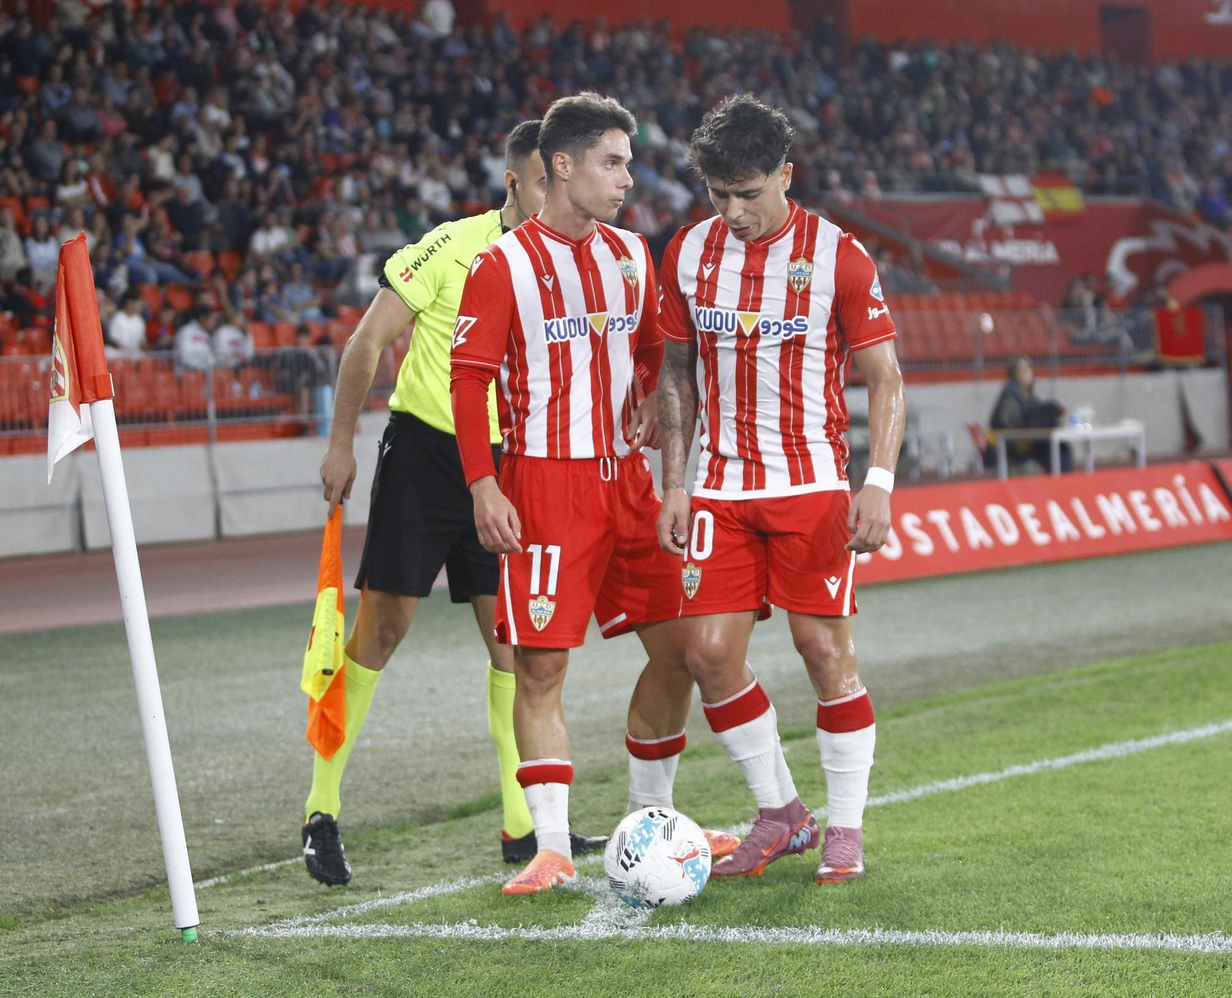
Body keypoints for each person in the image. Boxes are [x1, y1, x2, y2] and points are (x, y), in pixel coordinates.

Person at [304, 121, 610, 885]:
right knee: (380, 632)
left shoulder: (570, 262)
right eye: (543, 183)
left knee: (513, 646)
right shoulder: (450, 246)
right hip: (426, 457)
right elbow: (366, 344)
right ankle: (320, 812)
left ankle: (524, 828)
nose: (555, 196)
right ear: (516, 182)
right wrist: (341, 444)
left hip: (510, 469)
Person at [449, 93, 699, 896]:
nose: (628, 179)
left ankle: (649, 819)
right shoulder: (503, 265)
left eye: (628, 163)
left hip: (628, 484)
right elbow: (468, 381)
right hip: (545, 484)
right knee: (541, 669)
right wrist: (483, 484)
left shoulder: (631, 254)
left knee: (684, 650)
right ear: (562, 165)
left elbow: (656, 353)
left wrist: (656, 420)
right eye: (612, 162)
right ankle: (551, 847)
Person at [655, 95, 905, 885]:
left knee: (823, 650)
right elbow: (675, 373)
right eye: (718, 193)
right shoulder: (687, 252)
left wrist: (878, 482)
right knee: (707, 655)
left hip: (812, 484)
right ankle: (783, 813)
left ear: (785, 176)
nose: (732, 211)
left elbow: (886, 377)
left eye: (748, 193)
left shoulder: (838, 256)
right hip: (719, 486)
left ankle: (846, 829)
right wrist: (674, 482)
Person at [988, 355, 1072, 473]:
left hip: (1023, 443)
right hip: (1009, 449)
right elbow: (1011, 423)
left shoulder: (1025, 392)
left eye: (1030, 367)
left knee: (1061, 448)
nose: (1029, 371)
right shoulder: (1010, 395)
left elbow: (1036, 411)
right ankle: (1061, 482)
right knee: (1060, 452)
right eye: (1025, 368)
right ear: (1015, 373)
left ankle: (1062, 481)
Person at [173, 307, 217, 371]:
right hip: (185, 373)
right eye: (212, 319)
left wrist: (211, 366)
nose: (214, 322)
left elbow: (209, 357)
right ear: (202, 318)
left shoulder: (205, 334)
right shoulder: (186, 331)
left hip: (203, 372)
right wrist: (203, 367)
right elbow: (184, 357)